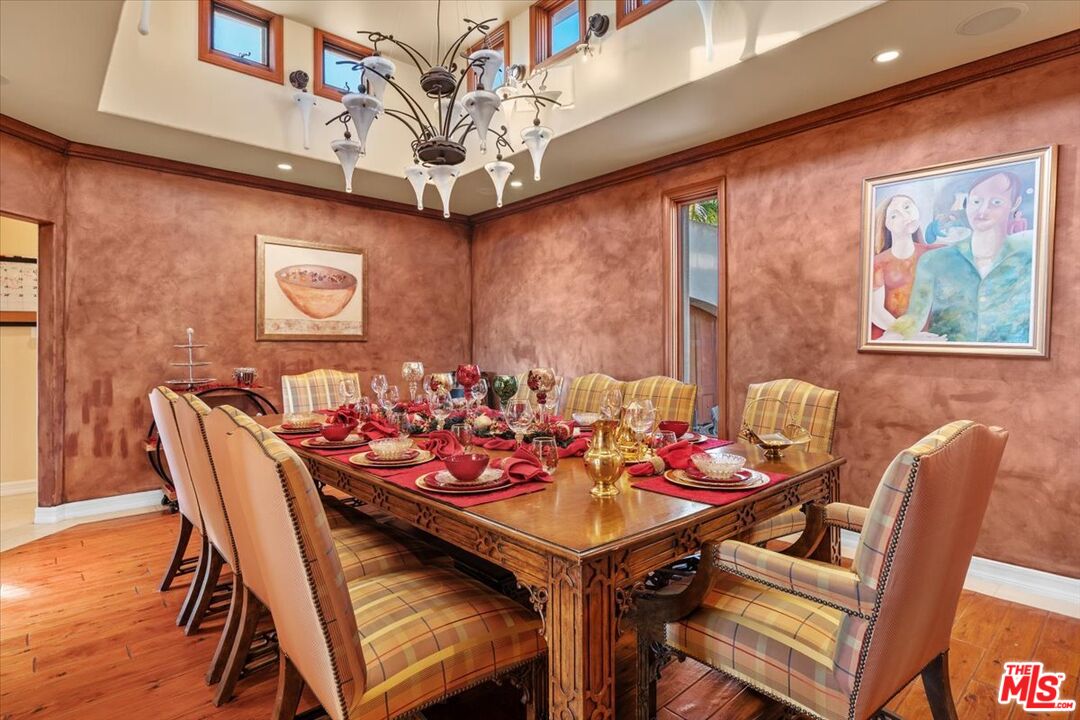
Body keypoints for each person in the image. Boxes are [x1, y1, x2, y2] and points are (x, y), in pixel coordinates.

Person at [888, 171, 1034, 344]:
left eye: (996, 202)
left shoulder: (1031, 252)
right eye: (976, 201)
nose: (982, 210)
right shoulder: (934, 261)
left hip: (1017, 365)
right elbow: (914, 318)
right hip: (949, 363)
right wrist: (892, 337)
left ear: (1015, 204)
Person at [869, 194, 939, 339]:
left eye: (907, 207)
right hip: (892, 336)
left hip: (931, 337)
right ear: (887, 224)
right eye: (894, 215)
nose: (904, 215)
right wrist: (911, 336)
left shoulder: (934, 253)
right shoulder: (879, 263)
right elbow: (875, 310)